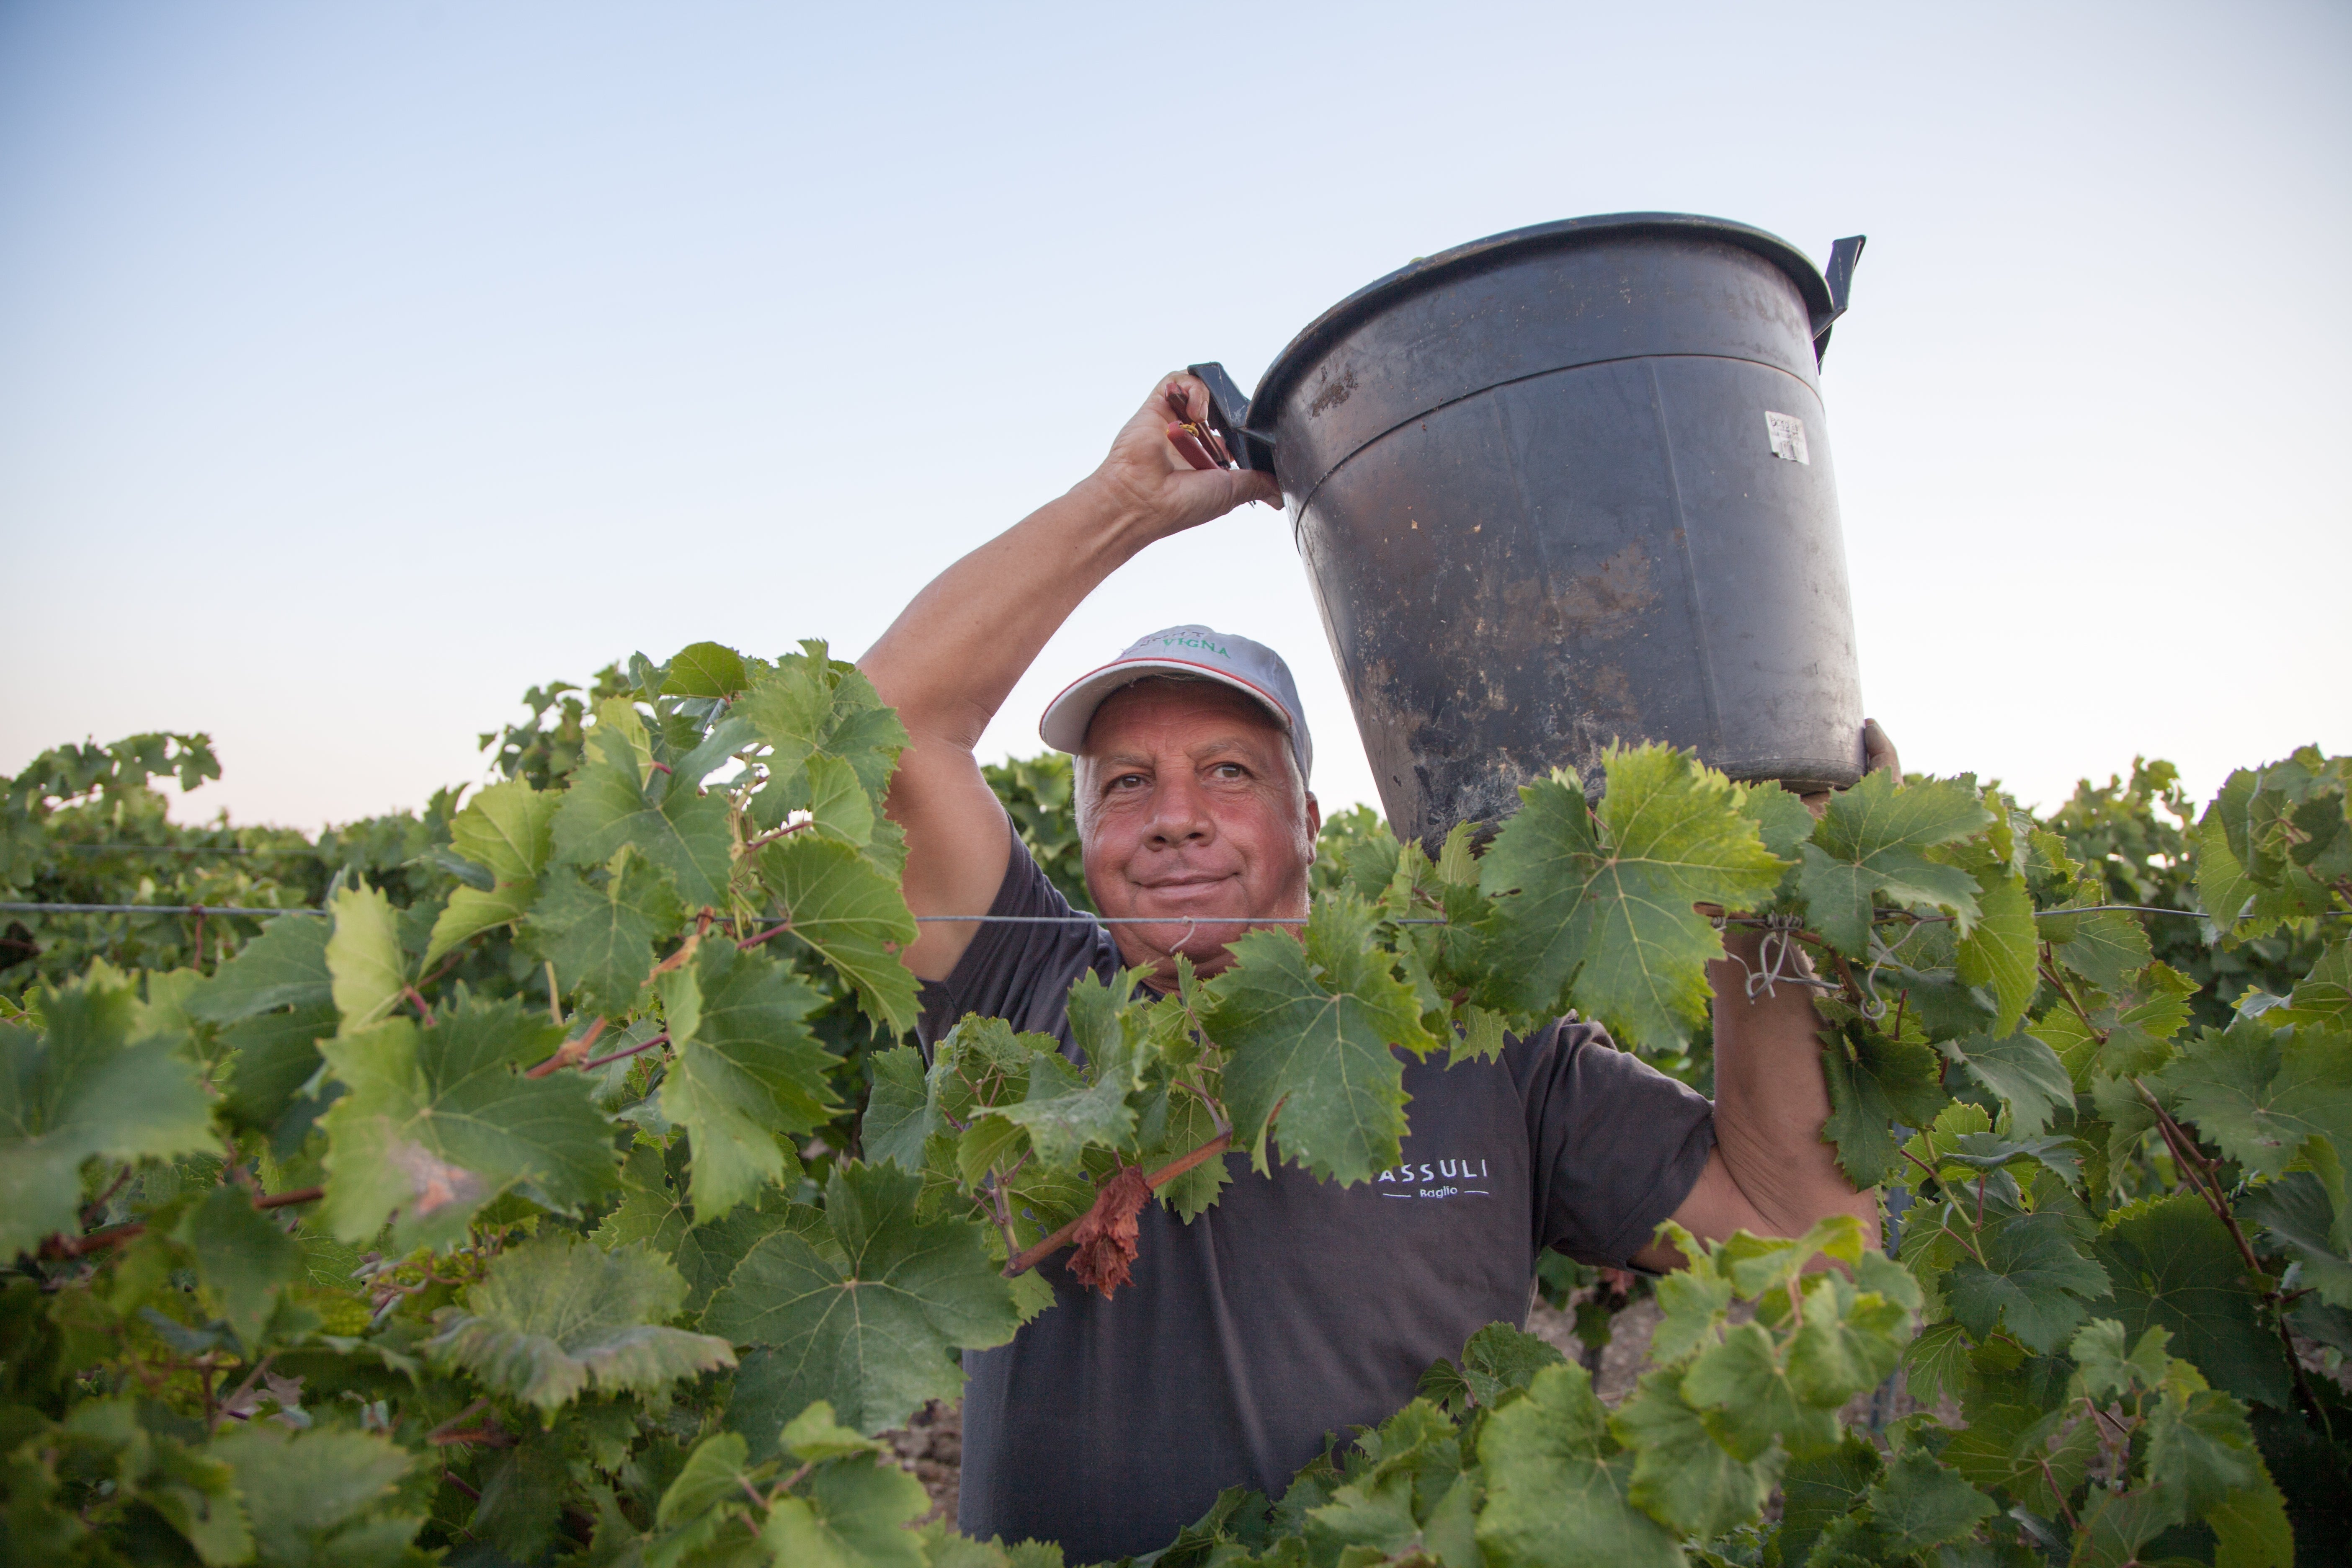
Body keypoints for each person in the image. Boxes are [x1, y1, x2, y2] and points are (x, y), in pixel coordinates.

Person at [858, 372, 1890, 1559]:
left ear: (1308, 814)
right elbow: (882, 729)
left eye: (1229, 775)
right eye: (1126, 783)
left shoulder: (1480, 1036)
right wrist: (1123, 501)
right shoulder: (1021, 996)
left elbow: (1808, 1240)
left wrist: (1766, 898)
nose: (1175, 817)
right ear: (1083, 827)